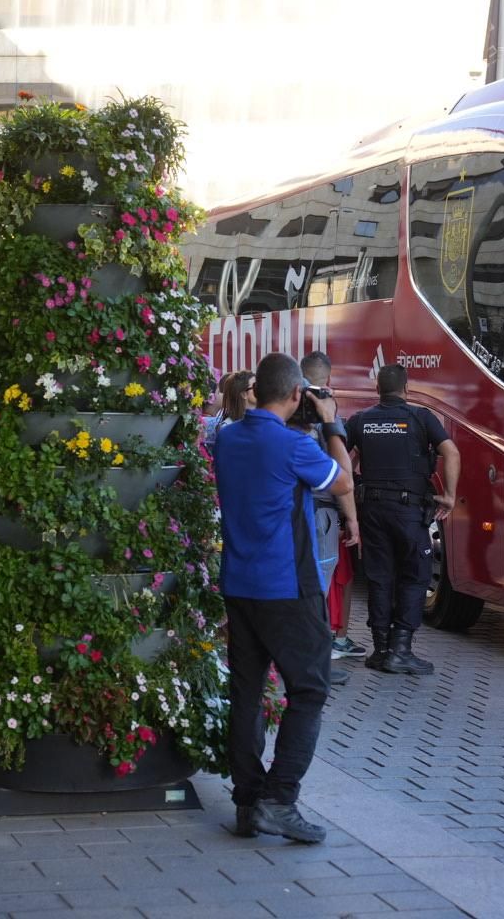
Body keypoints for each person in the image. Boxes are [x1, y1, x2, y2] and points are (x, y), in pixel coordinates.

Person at [213, 352, 353, 844]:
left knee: (246, 694)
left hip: (238, 584)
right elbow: (343, 481)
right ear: (297, 394)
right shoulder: (294, 445)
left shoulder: (225, 438)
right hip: (287, 588)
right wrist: (332, 426)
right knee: (310, 690)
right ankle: (280, 800)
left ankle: (249, 801)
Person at [346, 364, 460, 677]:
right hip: (408, 512)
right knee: (414, 576)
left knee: (380, 578)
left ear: (378, 390)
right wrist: (449, 496)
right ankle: (400, 650)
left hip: (372, 511)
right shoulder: (421, 418)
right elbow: (451, 453)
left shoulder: (360, 420)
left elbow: (339, 459)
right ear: (406, 390)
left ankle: (380, 650)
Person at [299, 352, 363, 663]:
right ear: (329, 379)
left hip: (290, 510)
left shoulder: (287, 406)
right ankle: (314, 655)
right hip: (321, 511)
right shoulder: (327, 412)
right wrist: (352, 519)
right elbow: (343, 475)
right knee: (320, 584)